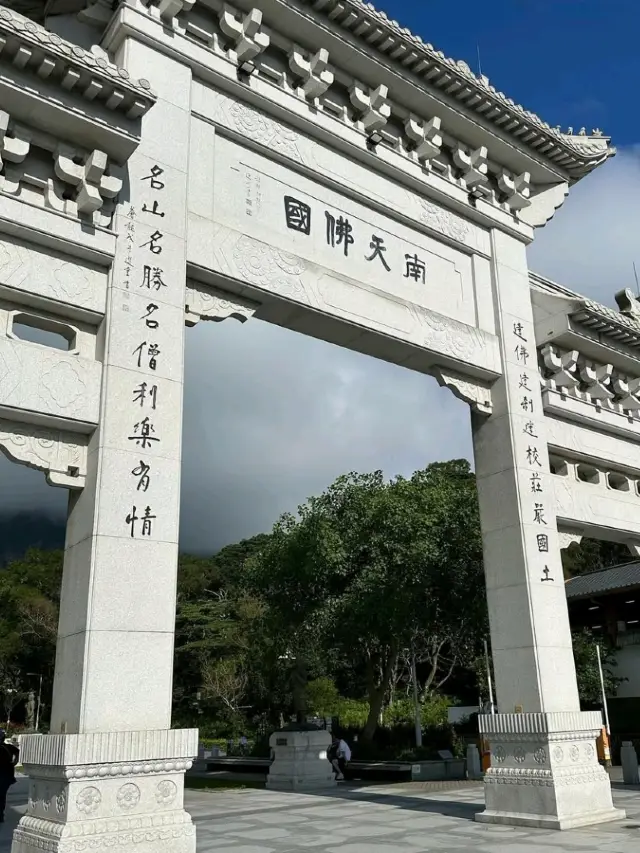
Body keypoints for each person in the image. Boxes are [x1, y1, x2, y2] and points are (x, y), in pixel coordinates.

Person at [0, 731, 18, 822]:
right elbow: (17, 751)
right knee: (2, 795)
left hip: (3, 776)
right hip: (7, 776)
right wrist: (15, 762)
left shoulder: (7, 748)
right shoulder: (9, 747)